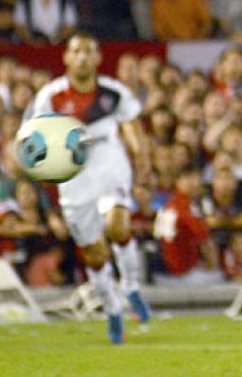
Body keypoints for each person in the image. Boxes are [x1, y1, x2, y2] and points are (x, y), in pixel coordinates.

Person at [27, 34, 152, 344]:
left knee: (117, 223)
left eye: (88, 52)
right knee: (94, 252)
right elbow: (32, 137)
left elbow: (132, 127)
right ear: (67, 58)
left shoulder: (113, 92)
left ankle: (132, 286)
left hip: (109, 160)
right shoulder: (51, 96)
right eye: (76, 51)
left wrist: (142, 160)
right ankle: (112, 310)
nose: (82, 57)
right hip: (74, 173)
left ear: (98, 58)